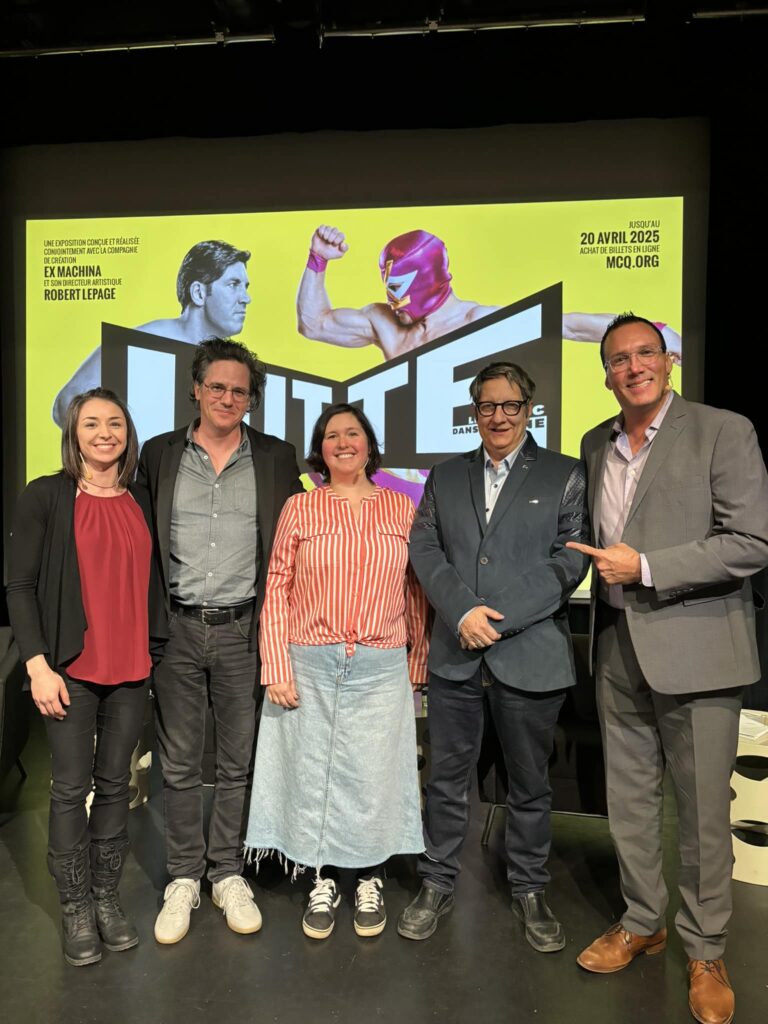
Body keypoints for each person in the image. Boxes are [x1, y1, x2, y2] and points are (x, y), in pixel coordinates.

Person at [566, 313, 768, 1024]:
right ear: (606, 373)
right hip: (617, 645)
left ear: (668, 360)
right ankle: (643, 919)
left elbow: (749, 542)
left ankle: (706, 948)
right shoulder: (595, 443)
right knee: (629, 802)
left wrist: (647, 567)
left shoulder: (722, 430)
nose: (632, 367)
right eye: (618, 359)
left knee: (704, 816)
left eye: (644, 353)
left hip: (699, 649)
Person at [398, 361, 589, 951]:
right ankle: (436, 881)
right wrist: (461, 613)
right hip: (456, 653)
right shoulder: (445, 476)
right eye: (487, 406)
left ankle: (530, 887)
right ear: (473, 412)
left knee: (530, 785)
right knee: (447, 778)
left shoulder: (566, 474)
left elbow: (570, 559)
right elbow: (424, 547)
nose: (498, 417)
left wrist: (494, 618)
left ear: (528, 409)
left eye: (510, 406)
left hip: (530, 654)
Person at [137, 337, 303, 944]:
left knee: (238, 766)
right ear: (196, 390)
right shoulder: (156, 456)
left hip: (244, 631)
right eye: (217, 387)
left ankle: (226, 872)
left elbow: (298, 544)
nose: (227, 398)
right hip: (176, 630)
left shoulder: (278, 458)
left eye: (239, 390)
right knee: (179, 765)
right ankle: (183, 878)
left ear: (251, 399)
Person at [244, 403, 429, 939]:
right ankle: (320, 878)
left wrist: (418, 658)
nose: (343, 442)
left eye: (353, 433)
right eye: (331, 436)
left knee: (374, 777)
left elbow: (415, 589)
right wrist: (276, 663)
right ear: (320, 450)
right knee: (313, 775)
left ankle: (368, 876)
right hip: (309, 661)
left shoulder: (402, 508)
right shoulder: (300, 507)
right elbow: (277, 587)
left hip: (380, 664)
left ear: (370, 444)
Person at [6, 388, 166, 967]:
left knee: (117, 786)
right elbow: (19, 586)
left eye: (115, 423)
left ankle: (105, 900)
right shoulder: (46, 495)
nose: (105, 433)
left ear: (128, 432)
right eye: (92, 423)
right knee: (72, 789)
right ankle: (75, 907)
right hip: (68, 670)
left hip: (130, 670)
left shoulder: (140, 497)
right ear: (73, 433)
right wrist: (37, 663)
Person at [296, 224, 682, 362]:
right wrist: (317, 260)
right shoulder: (383, 322)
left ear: (426, 280)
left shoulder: (477, 322)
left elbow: (568, 326)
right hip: (397, 469)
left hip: (456, 472)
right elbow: (313, 325)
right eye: (388, 286)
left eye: (399, 288)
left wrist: (654, 331)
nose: (392, 299)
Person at [52, 240, 252, 425]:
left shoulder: (233, 363)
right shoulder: (151, 340)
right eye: (233, 285)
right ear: (198, 293)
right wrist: (124, 449)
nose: (246, 298)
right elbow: (67, 401)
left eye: (245, 287)